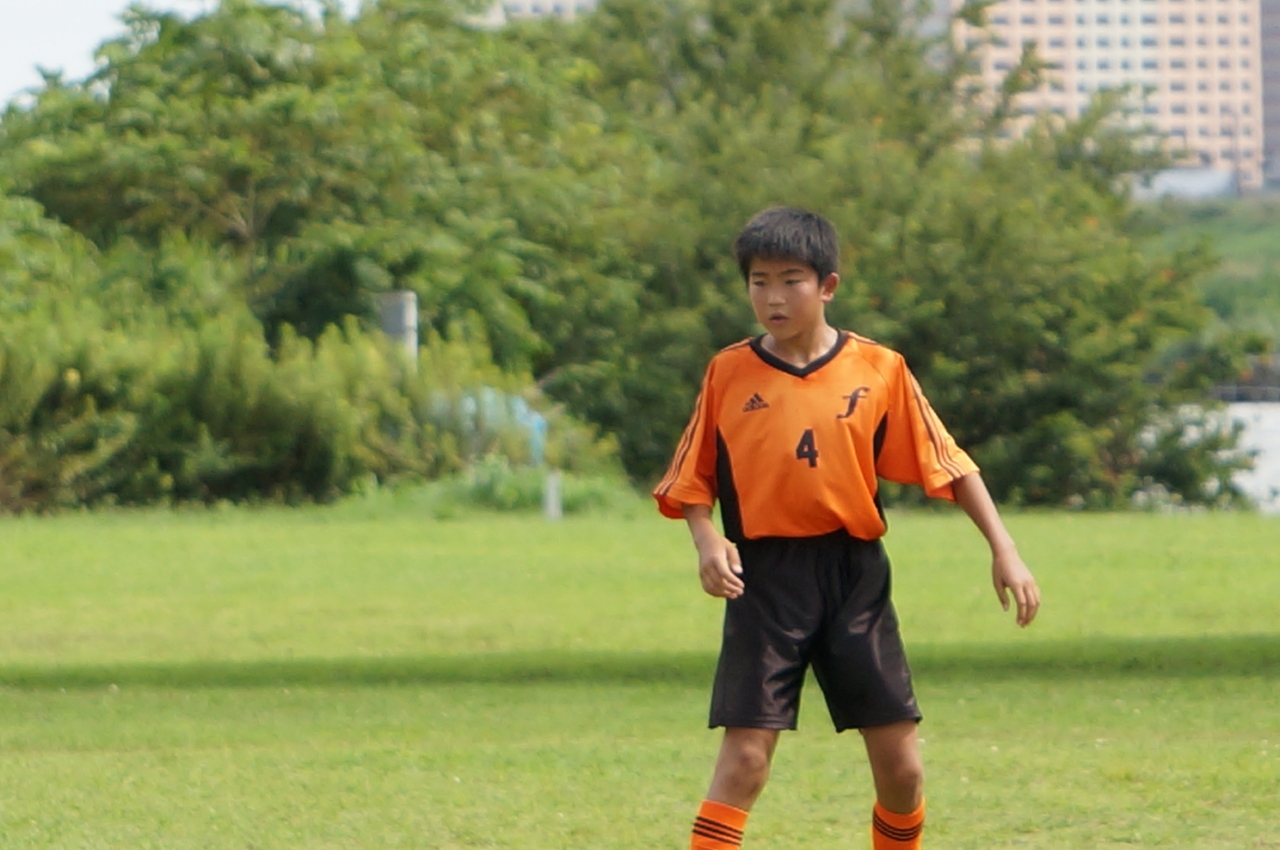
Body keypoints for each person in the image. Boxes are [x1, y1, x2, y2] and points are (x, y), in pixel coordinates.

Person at [652, 206, 1041, 850]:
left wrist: (1006, 550)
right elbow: (691, 476)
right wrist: (707, 539)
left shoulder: (879, 368)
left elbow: (951, 465)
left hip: (854, 576)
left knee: (902, 770)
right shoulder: (729, 371)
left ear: (828, 285)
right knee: (744, 760)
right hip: (764, 581)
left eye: (791, 281)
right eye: (759, 282)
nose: (773, 298)